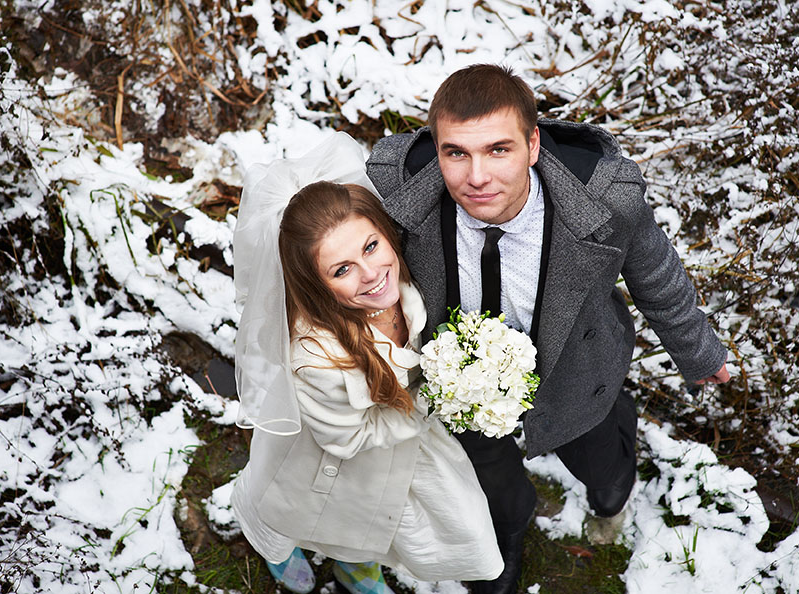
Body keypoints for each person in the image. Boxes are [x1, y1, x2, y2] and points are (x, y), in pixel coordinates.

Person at [366, 64, 731, 593]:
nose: (476, 177)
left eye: (498, 150)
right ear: (437, 149)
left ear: (533, 145)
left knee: (602, 471)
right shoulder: (402, 193)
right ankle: (507, 532)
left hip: (573, 370)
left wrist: (698, 350)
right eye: (456, 153)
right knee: (488, 474)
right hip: (459, 380)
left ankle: (611, 491)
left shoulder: (604, 200)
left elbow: (654, 272)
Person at [230, 133, 504, 593]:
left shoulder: (411, 284)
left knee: (429, 522)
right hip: (336, 450)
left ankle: (356, 563)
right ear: (318, 286)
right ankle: (282, 544)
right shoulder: (316, 360)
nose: (371, 273)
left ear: (385, 233)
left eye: (371, 247)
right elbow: (349, 439)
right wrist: (433, 397)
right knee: (309, 506)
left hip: (403, 432)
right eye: (342, 270)